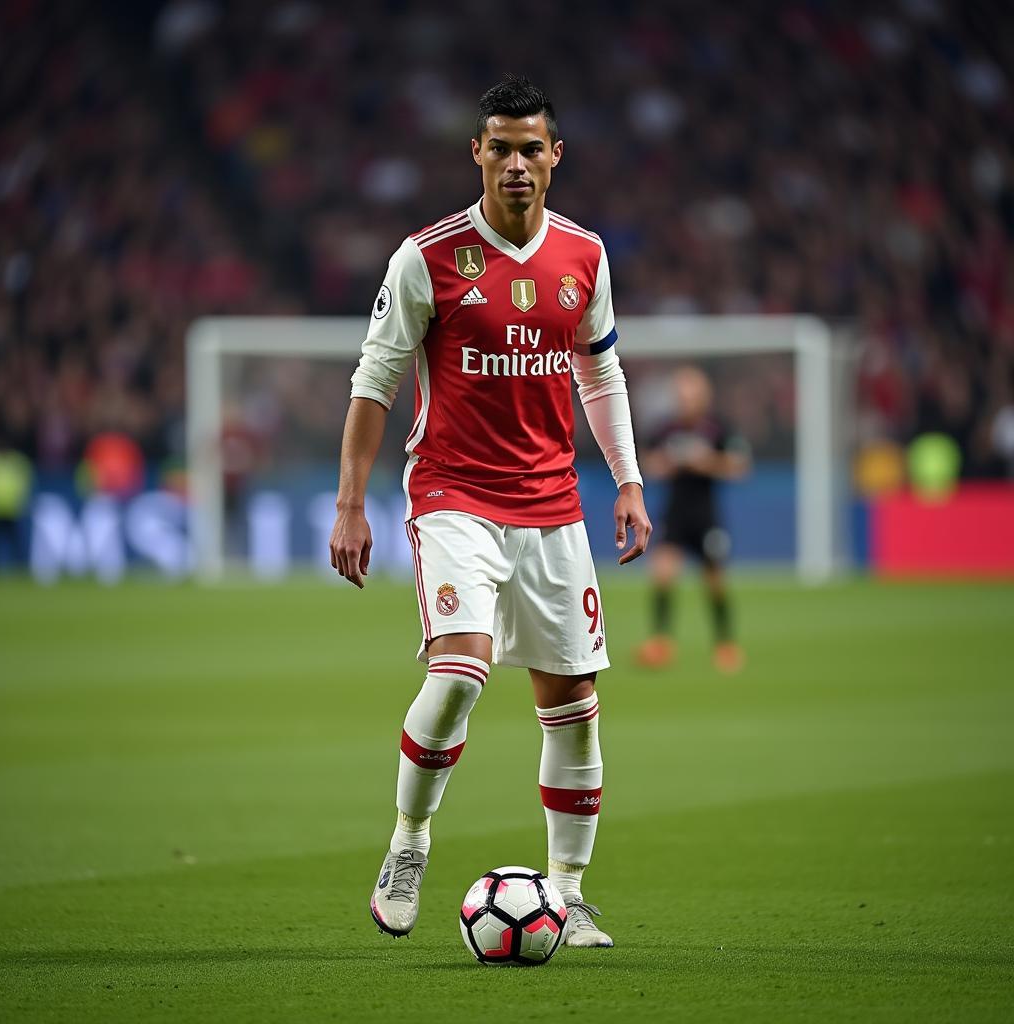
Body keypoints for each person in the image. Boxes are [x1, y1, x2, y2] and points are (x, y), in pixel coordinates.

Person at [329, 76, 651, 949]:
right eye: (499, 147)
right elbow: (375, 382)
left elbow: (600, 371)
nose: (515, 163)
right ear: (476, 153)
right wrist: (352, 503)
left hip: (552, 504)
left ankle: (569, 890)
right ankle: (409, 842)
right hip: (452, 494)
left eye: (530, 147)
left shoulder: (585, 255)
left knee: (573, 703)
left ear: (555, 156)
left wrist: (627, 480)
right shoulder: (426, 257)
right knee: (460, 671)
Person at [636, 366, 750, 673]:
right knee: (662, 574)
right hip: (675, 511)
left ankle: (725, 644)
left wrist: (706, 462)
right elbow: (648, 463)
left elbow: (739, 466)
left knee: (714, 581)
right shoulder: (664, 429)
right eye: (680, 394)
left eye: (690, 394)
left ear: (703, 396)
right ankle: (660, 643)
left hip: (706, 514)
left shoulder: (719, 428)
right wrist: (667, 463)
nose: (685, 400)